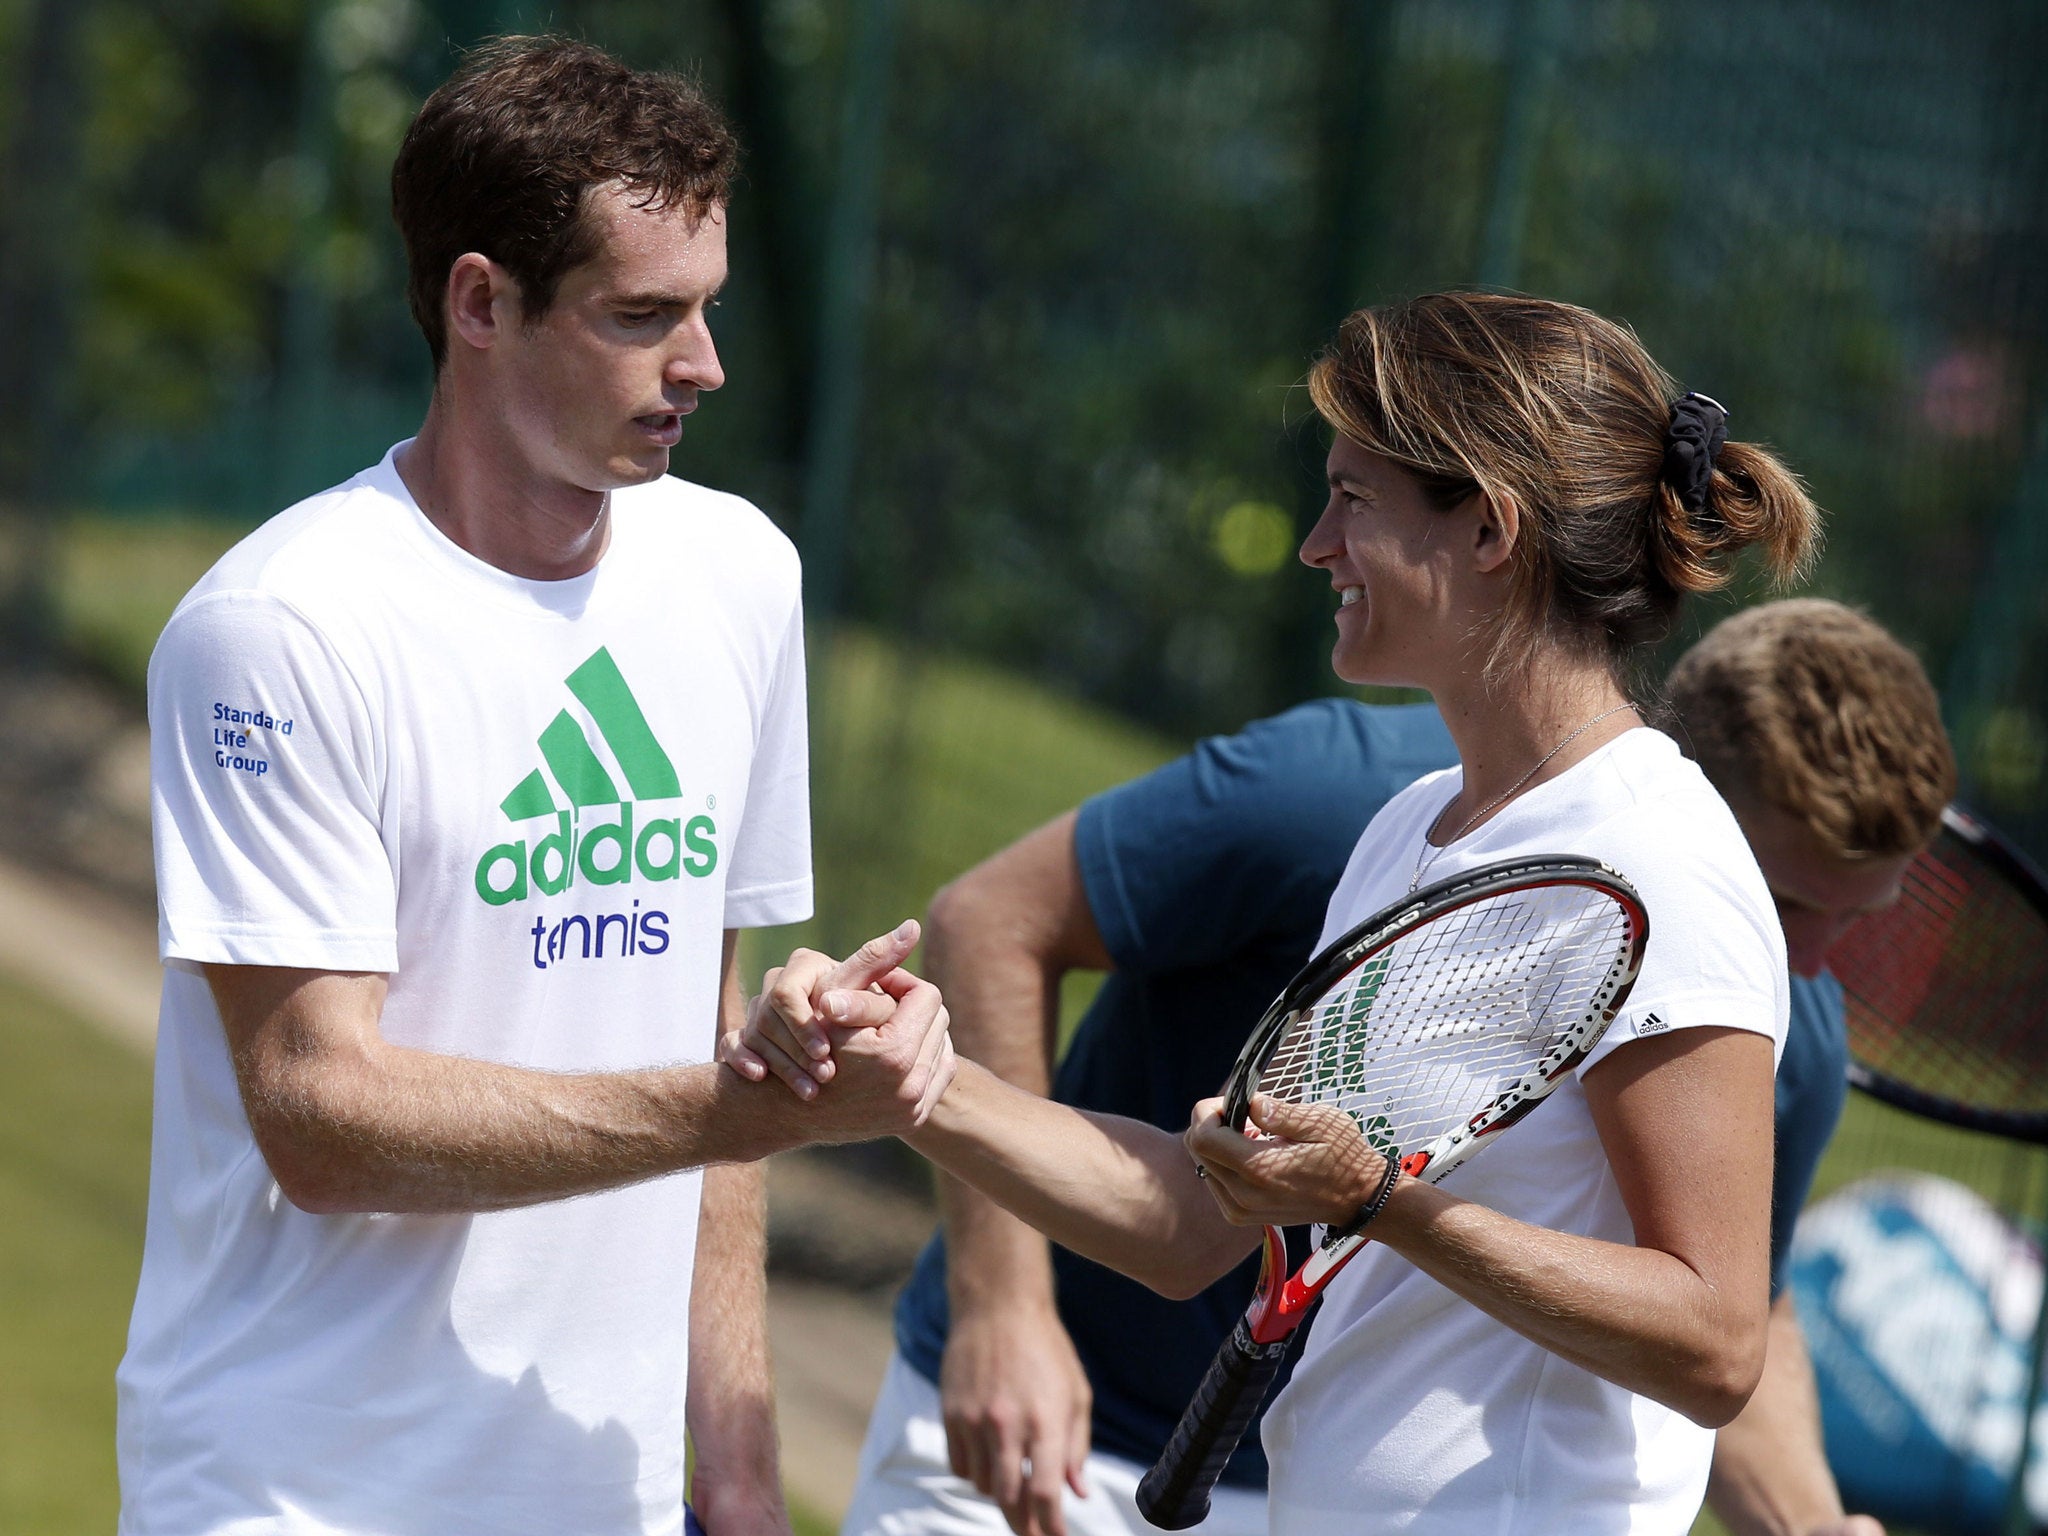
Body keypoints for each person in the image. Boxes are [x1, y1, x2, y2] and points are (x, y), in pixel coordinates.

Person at [732, 292, 1828, 1534]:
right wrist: (919, 1083)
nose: (1314, 545)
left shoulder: (1662, 864)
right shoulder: (1408, 830)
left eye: (1352, 500)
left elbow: (1714, 1341)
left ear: (1485, 531)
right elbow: (1192, 1227)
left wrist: (1382, 1204)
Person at [118, 37, 951, 1536]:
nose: (702, 366)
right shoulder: (283, 630)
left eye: (705, 310)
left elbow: (709, 1011)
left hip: (598, 1487)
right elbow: (320, 1118)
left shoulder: (738, 574)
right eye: (644, 318)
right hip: (289, 1492)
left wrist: (741, 1472)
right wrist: (741, 1109)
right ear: (481, 303)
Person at [817, 598, 1949, 1536]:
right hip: (1045, 1415)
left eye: (1860, 918)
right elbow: (991, 923)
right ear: (1683, 802)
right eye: (1790, 901)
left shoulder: (1775, 1031)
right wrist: (1005, 1310)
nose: (1807, 964)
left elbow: (1723, 1323)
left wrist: (1807, 1522)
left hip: (1285, 1485)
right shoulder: (1345, 800)